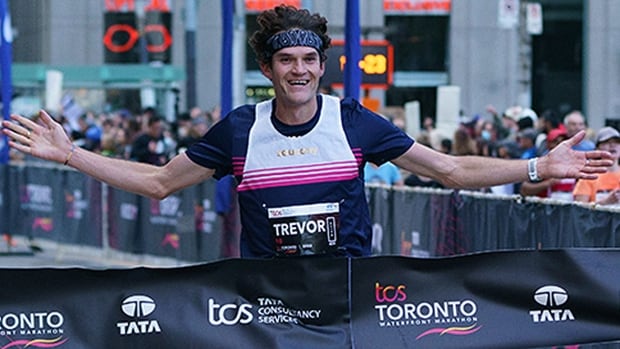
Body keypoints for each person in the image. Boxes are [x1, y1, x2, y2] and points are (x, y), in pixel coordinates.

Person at [1, 5, 612, 259]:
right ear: (268, 69)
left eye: (309, 60)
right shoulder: (241, 129)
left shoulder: (355, 122)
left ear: (322, 65)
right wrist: (72, 154)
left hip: (348, 294)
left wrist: (537, 169)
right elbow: (161, 183)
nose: (299, 70)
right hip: (268, 303)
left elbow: (450, 170)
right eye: (286, 61)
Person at [520, 128, 575, 201]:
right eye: (555, 142)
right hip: (543, 209)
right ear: (548, 144)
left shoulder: (574, 164)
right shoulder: (540, 164)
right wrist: (548, 183)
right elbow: (524, 189)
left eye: (563, 142)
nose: (560, 145)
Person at [573, 126, 620, 206]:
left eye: (617, 142)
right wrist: (605, 202)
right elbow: (579, 211)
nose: (612, 145)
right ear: (598, 149)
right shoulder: (589, 176)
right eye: (606, 142)